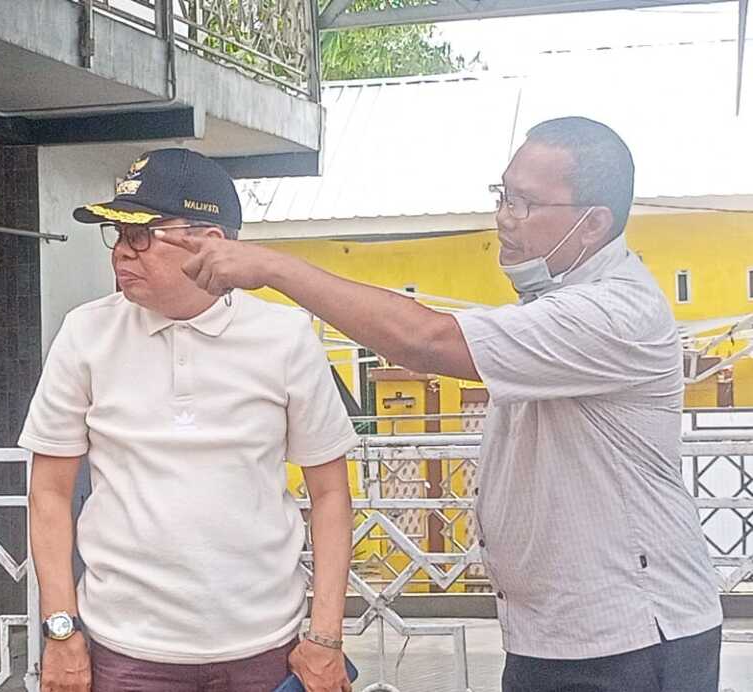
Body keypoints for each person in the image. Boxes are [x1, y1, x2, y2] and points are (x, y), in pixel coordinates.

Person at [162, 117, 723, 691]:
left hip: (631, 636)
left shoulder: (614, 313)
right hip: (551, 634)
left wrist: (274, 267)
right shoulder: (548, 302)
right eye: (502, 195)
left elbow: (426, 341)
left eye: (525, 203)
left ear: (593, 223)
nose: (504, 217)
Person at [20, 148, 358, 692]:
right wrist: (60, 631)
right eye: (118, 234)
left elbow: (331, 495)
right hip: (125, 651)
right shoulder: (85, 334)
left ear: (212, 243)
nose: (121, 252)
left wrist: (325, 637)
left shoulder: (285, 337)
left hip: (265, 647)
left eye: (141, 235)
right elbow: (49, 494)